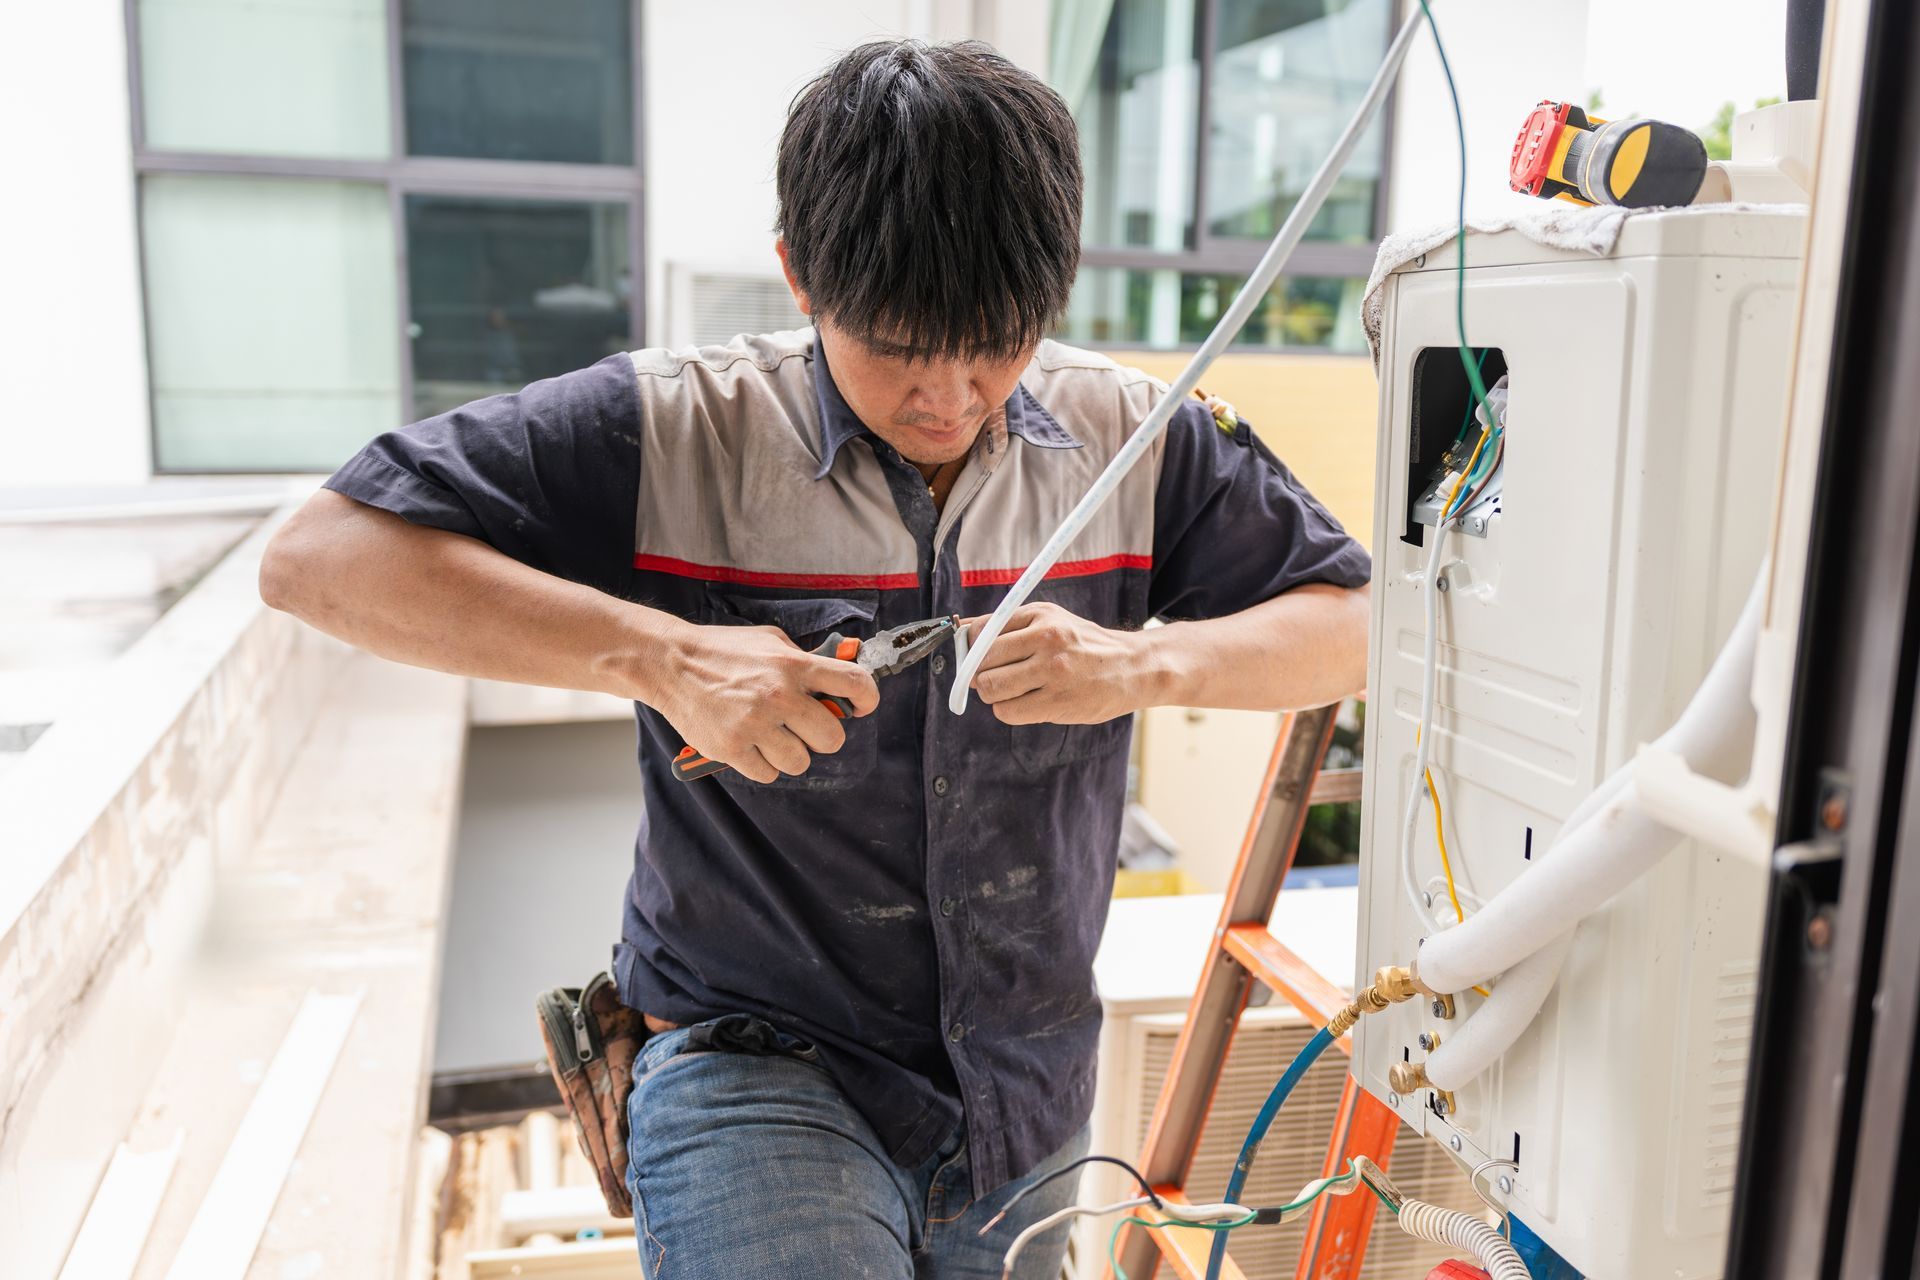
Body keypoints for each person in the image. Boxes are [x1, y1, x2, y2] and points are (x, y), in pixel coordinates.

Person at [260, 38, 1369, 1280]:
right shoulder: (675, 428)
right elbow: (316, 557)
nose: (949, 396)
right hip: (755, 1062)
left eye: (997, 343)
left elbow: (1357, 625)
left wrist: (1140, 667)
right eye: (899, 345)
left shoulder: (1136, 438)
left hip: (1027, 1091)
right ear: (798, 272)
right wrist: (662, 654)